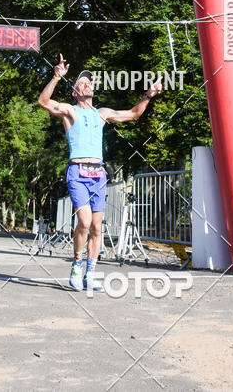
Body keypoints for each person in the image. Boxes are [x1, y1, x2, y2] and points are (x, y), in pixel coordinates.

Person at [38, 54, 162, 292]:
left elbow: (133, 114)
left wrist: (148, 96)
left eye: (89, 82)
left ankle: (90, 273)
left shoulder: (101, 113)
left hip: (98, 174)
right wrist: (56, 77)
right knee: (83, 222)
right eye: (81, 83)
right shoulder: (70, 111)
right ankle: (76, 265)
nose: (87, 84)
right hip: (77, 170)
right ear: (74, 92)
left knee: (96, 228)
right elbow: (44, 101)